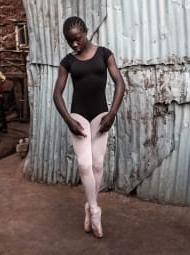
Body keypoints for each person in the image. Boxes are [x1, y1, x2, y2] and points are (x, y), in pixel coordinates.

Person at [53, 16, 125, 238]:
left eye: (77, 39)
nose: (74, 44)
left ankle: (88, 204)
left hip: (101, 114)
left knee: (98, 163)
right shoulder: (67, 62)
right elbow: (57, 94)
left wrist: (112, 114)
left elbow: (119, 83)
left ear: (86, 32)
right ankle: (95, 210)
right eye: (69, 41)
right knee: (84, 164)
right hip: (79, 115)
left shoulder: (105, 54)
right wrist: (69, 120)